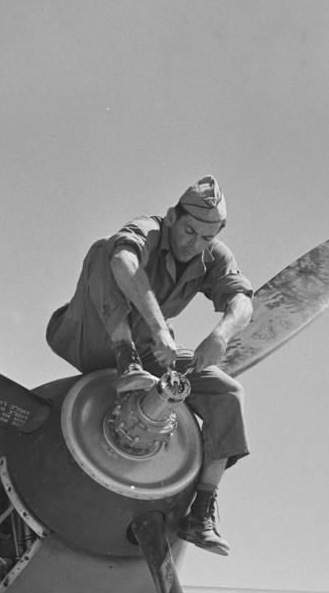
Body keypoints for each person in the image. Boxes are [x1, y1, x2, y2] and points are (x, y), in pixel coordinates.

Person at [45, 176, 253, 556]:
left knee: (228, 393)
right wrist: (159, 331)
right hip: (93, 338)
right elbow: (122, 261)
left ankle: (201, 511)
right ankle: (125, 359)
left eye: (206, 238)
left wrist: (220, 336)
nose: (195, 244)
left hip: (152, 355)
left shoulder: (212, 256)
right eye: (189, 231)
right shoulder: (150, 230)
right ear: (173, 216)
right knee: (106, 250)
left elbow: (242, 301)